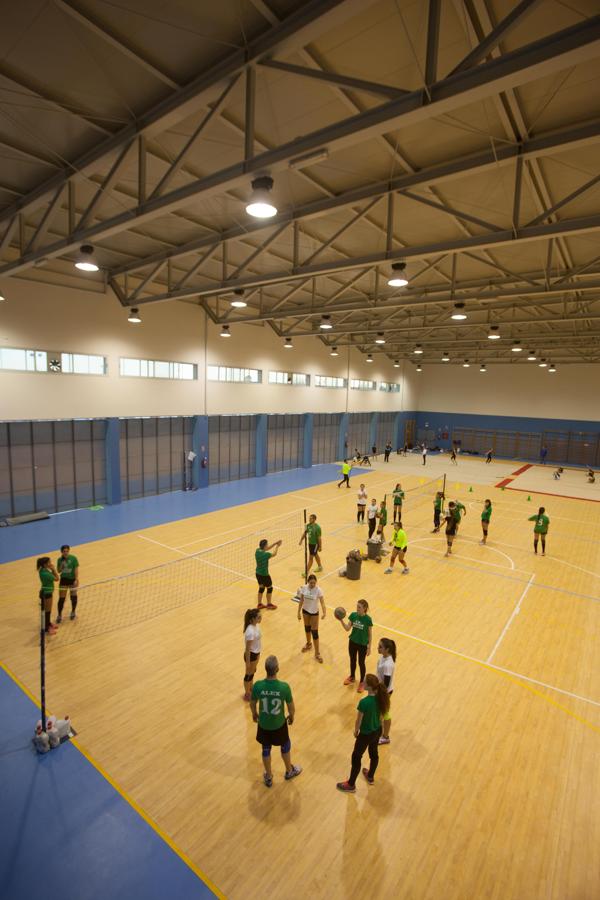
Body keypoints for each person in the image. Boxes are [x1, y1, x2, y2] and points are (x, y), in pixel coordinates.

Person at [250, 655, 301, 788]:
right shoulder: (284, 687)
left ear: (265, 669)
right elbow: (291, 708)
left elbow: (252, 702)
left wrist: (254, 714)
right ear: (277, 669)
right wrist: (291, 716)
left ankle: (268, 775)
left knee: (265, 749)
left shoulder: (258, 686)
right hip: (279, 725)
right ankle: (289, 771)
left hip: (263, 725)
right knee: (285, 745)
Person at [336, 673, 389, 792]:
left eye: (364, 682)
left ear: (369, 687)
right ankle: (370, 776)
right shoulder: (381, 698)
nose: (362, 683)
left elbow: (358, 721)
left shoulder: (364, 702)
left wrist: (356, 731)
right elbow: (381, 717)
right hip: (377, 731)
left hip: (365, 735)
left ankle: (351, 785)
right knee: (374, 753)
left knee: (356, 757)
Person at [339, 599, 373, 692]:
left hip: (362, 645)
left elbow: (370, 635)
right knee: (352, 660)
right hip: (352, 642)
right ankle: (352, 677)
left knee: (361, 663)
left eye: (359, 607)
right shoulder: (353, 615)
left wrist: (369, 647)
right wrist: (341, 620)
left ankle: (362, 682)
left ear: (364, 608)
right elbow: (347, 629)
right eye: (357, 606)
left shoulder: (368, 620)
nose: (357, 608)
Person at [297, 574, 326, 663]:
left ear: (316, 582)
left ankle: (317, 653)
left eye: (314, 583)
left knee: (315, 632)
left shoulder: (318, 590)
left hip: (314, 613)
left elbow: (322, 602)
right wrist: (298, 612)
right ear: (308, 582)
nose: (312, 584)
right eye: (311, 583)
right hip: (305, 611)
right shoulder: (304, 588)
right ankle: (309, 644)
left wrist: (324, 612)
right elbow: (301, 600)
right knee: (307, 629)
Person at [376, 638, 396, 744]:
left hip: (384, 692)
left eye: (380, 647)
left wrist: (378, 692)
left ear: (387, 649)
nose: (378, 648)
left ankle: (385, 737)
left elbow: (386, 683)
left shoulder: (388, 664)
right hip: (382, 690)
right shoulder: (384, 657)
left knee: (384, 713)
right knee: (380, 712)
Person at [255, 538, 282, 610]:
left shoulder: (257, 551)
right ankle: (269, 604)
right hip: (265, 575)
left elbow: (266, 549)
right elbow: (274, 554)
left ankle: (259, 604)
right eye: (267, 544)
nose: (268, 545)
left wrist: (275, 542)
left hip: (258, 574)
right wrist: (277, 546)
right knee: (270, 588)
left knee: (261, 588)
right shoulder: (266, 554)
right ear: (265, 546)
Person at [56, 544, 79, 623]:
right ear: (61, 552)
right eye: (64, 551)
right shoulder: (59, 560)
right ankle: (59, 615)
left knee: (73, 597)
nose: (65, 553)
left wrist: (76, 579)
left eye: (67, 551)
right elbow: (59, 571)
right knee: (61, 599)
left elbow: (76, 569)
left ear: (69, 551)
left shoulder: (73, 558)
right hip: (64, 580)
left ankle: (73, 612)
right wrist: (61, 565)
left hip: (72, 580)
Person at [243, 608, 262, 701]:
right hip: (251, 655)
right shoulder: (250, 631)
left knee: (253, 672)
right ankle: (247, 693)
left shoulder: (256, 626)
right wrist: (248, 662)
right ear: (252, 619)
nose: (260, 618)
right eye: (258, 617)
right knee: (248, 675)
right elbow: (247, 649)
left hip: (256, 653)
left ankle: (251, 687)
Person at [37, 557, 59, 634]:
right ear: (44, 564)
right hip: (47, 594)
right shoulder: (45, 573)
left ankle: (48, 623)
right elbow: (57, 578)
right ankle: (46, 628)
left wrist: (51, 569)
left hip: (46, 592)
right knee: (47, 611)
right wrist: (53, 569)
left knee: (48, 611)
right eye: (49, 562)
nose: (51, 563)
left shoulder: (43, 570)